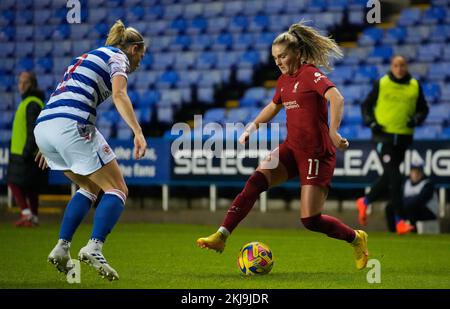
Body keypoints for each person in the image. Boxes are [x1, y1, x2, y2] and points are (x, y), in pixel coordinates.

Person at [197, 21, 369, 270]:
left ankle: (356, 238)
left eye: (283, 56)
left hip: (317, 153)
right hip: (291, 149)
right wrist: (252, 126)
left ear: (297, 54)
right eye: (275, 57)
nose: (278, 61)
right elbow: (274, 105)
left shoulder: (310, 74)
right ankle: (221, 236)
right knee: (255, 181)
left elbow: (336, 97)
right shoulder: (283, 80)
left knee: (310, 219)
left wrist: (333, 131)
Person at [34, 20, 147, 281]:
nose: (141, 61)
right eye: (142, 54)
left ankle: (62, 247)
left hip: (44, 128)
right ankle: (94, 246)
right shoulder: (118, 57)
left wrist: (48, 142)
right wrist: (138, 132)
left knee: (90, 187)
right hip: (71, 126)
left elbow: (65, 94)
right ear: (134, 48)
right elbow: (119, 95)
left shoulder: (86, 56)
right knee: (118, 189)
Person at [356, 55, 429, 234]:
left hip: (403, 139)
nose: (399, 68)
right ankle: (400, 221)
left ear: (407, 67)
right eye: (396, 65)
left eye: (402, 65)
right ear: (391, 66)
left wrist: (417, 119)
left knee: (390, 176)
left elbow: (423, 109)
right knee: (396, 177)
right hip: (384, 138)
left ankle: (365, 201)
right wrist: (371, 122)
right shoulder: (382, 83)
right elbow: (366, 106)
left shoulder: (414, 86)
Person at [7, 71, 48, 227]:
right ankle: (33, 216)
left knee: (13, 182)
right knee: (31, 187)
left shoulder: (31, 103)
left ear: (33, 84)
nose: (21, 85)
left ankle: (26, 214)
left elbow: (33, 129)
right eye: (20, 82)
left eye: (26, 82)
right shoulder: (31, 102)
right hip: (25, 151)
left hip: (24, 152)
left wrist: (27, 150)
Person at [385, 161, 438, 233]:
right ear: (410, 173)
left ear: (422, 173)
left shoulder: (427, 184)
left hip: (429, 212)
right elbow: (400, 198)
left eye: (418, 172)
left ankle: (413, 231)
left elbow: (420, 200)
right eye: (414, 172)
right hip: (409, 207)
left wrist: (405, 202)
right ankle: (394, 231)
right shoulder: (406, 183)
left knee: (412, 207)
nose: (416, 174)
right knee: (390, 207)